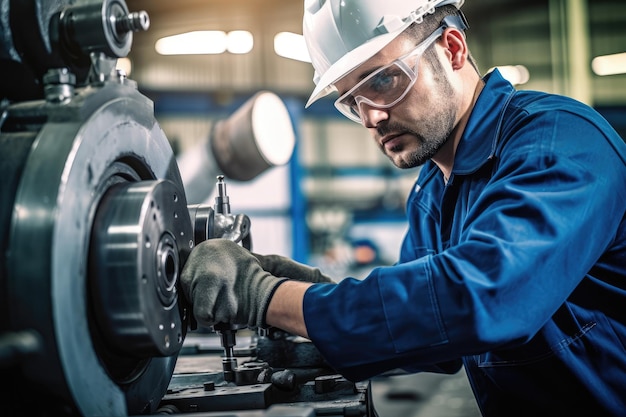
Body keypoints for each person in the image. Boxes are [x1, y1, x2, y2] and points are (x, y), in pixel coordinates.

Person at [180, 0, 626, 415]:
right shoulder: (432, 190)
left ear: (452, 49)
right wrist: (318, 312)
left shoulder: (560, 145)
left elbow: (480, 300)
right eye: (353, 100)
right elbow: (435, 332)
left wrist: (268, 296)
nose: (371, 116)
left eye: (383, 80)